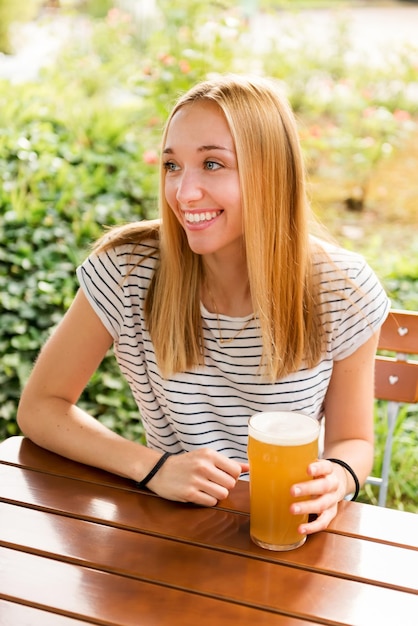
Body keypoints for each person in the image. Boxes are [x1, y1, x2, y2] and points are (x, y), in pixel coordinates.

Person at [17, 74, 390, 536]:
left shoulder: (342, 287)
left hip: (283, 529)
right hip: (170, 527)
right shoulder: (128, 270)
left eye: (212, 164)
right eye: (172, 166)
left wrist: (339, 476)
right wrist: (153, 468)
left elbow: (352, 440)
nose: (184, 192)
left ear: (269, 173)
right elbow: (40, 408)